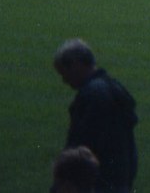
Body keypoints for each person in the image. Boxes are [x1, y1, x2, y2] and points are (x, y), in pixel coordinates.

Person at [53, 40, 137, 193]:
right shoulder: (115, 88)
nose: (64, 80)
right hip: (120, 179)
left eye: (64, 72)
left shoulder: (91, 95)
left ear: (76, 65)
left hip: (97, 183)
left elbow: (80, 145)